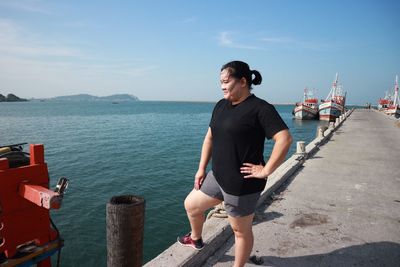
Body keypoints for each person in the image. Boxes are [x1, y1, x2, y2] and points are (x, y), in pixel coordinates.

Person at [177, 60, 292, 267]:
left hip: (242, 184)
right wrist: (201, 168)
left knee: (240, 231)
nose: (222, 86)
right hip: (217, 175)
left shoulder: (260, 109)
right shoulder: (221, 105)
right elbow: (210, 138)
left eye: (226, 81)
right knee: (191, 205)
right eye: (220, 82)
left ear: (243, 81)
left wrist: (266, 170)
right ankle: (195, 239)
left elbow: (284, 139)